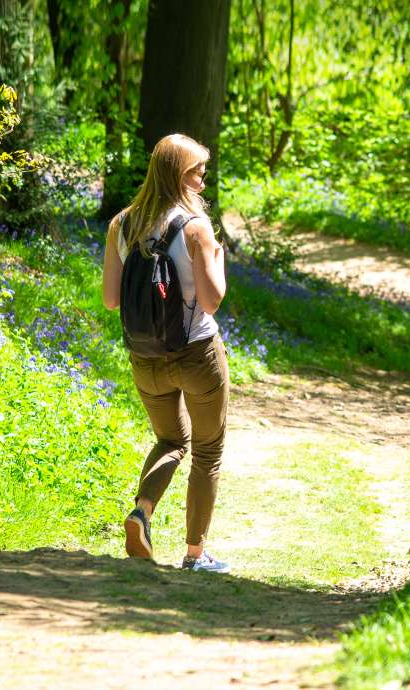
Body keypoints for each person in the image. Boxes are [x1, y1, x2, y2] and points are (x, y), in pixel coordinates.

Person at [101, 133, 231, 573]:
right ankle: (196, 555)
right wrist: (217, 258)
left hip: (145, 358)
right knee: (208, 450)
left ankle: (142, 512)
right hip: (196, 353)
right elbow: (212, 300)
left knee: (171, 440)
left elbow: (110, 300)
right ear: (179, 174)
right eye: (198, 171)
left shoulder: (121, 223)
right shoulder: (195, 226)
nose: (203, 179)